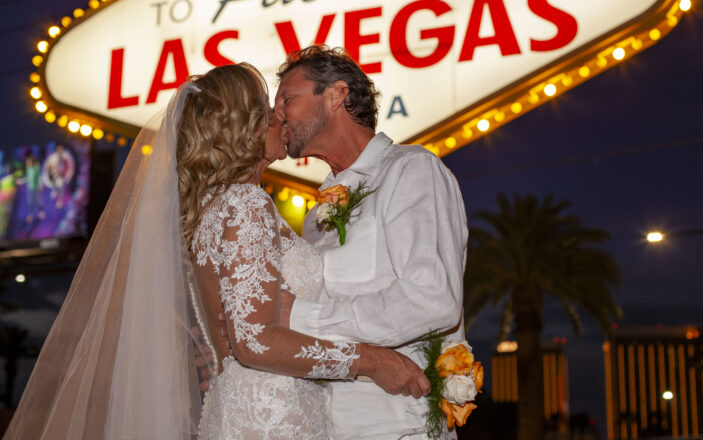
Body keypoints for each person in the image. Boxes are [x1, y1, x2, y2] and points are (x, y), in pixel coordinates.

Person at [3, 63, 427, 440]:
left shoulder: (215, 209)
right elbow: (255, 343)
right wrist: (368, 360)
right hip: (271, 417)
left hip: (253, 408)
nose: (279, 117)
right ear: (242, 129)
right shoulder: (245, 205)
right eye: (266, 111)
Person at [274, 46, 469, 439]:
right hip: (318, 425)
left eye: (287, 99)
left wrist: (301, 319)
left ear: (336, 95)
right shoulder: (315, 215)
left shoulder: (411, 170)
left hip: (396, 426)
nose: (277, 114)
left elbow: (433, 299)